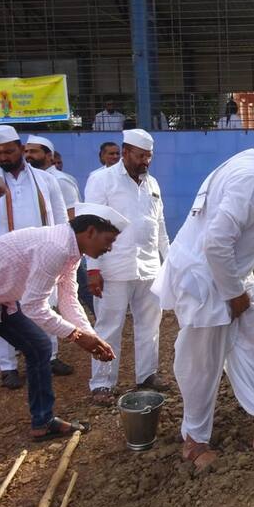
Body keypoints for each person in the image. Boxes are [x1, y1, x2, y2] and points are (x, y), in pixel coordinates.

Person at [152, 116, 254, 470]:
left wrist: (237, 286)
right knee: (203, 363)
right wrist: (232, 294)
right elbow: (215, 242)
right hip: (207, 279)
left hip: (231, 273)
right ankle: (194, 444)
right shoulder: (253, 176)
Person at [0, 204, 122, 439]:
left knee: (40, 348)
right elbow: (32, 306)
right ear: (90, 232)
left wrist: (90, 335)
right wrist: (76, 336)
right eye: (108, 240)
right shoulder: (55, 247)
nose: (109, 248)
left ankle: (43, 422)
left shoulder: (72, 250)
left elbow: (68, 297)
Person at [84, 129, 170, 405]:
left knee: (150, 325)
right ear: (125, 152)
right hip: (112, 268)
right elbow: (89, 227)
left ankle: (147, 375)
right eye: (141, 156)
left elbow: (160, 228)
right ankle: (102, 384)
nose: (145, 161)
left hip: (149, 268)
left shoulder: (152, 184)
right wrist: (93, 268)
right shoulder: (102, 180)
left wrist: (168, 263)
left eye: (149, 157)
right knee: (109, 327)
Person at [0, 125, 73, 387]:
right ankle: (9, 367)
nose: (2, 157)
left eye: (8, 151)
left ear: (21, 149)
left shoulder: (46, 180)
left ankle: (51, 355)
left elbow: (59, 220)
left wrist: (63, 254)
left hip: (39, 256)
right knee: (2, 310)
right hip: (3, 260)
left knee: (43, 303)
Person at [24, 136, 81, 218]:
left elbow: (72, 214)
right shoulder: (29, 178)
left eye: (33, 151)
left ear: (49, 156)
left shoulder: (60, 180)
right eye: (26, 151)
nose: (28, 155)